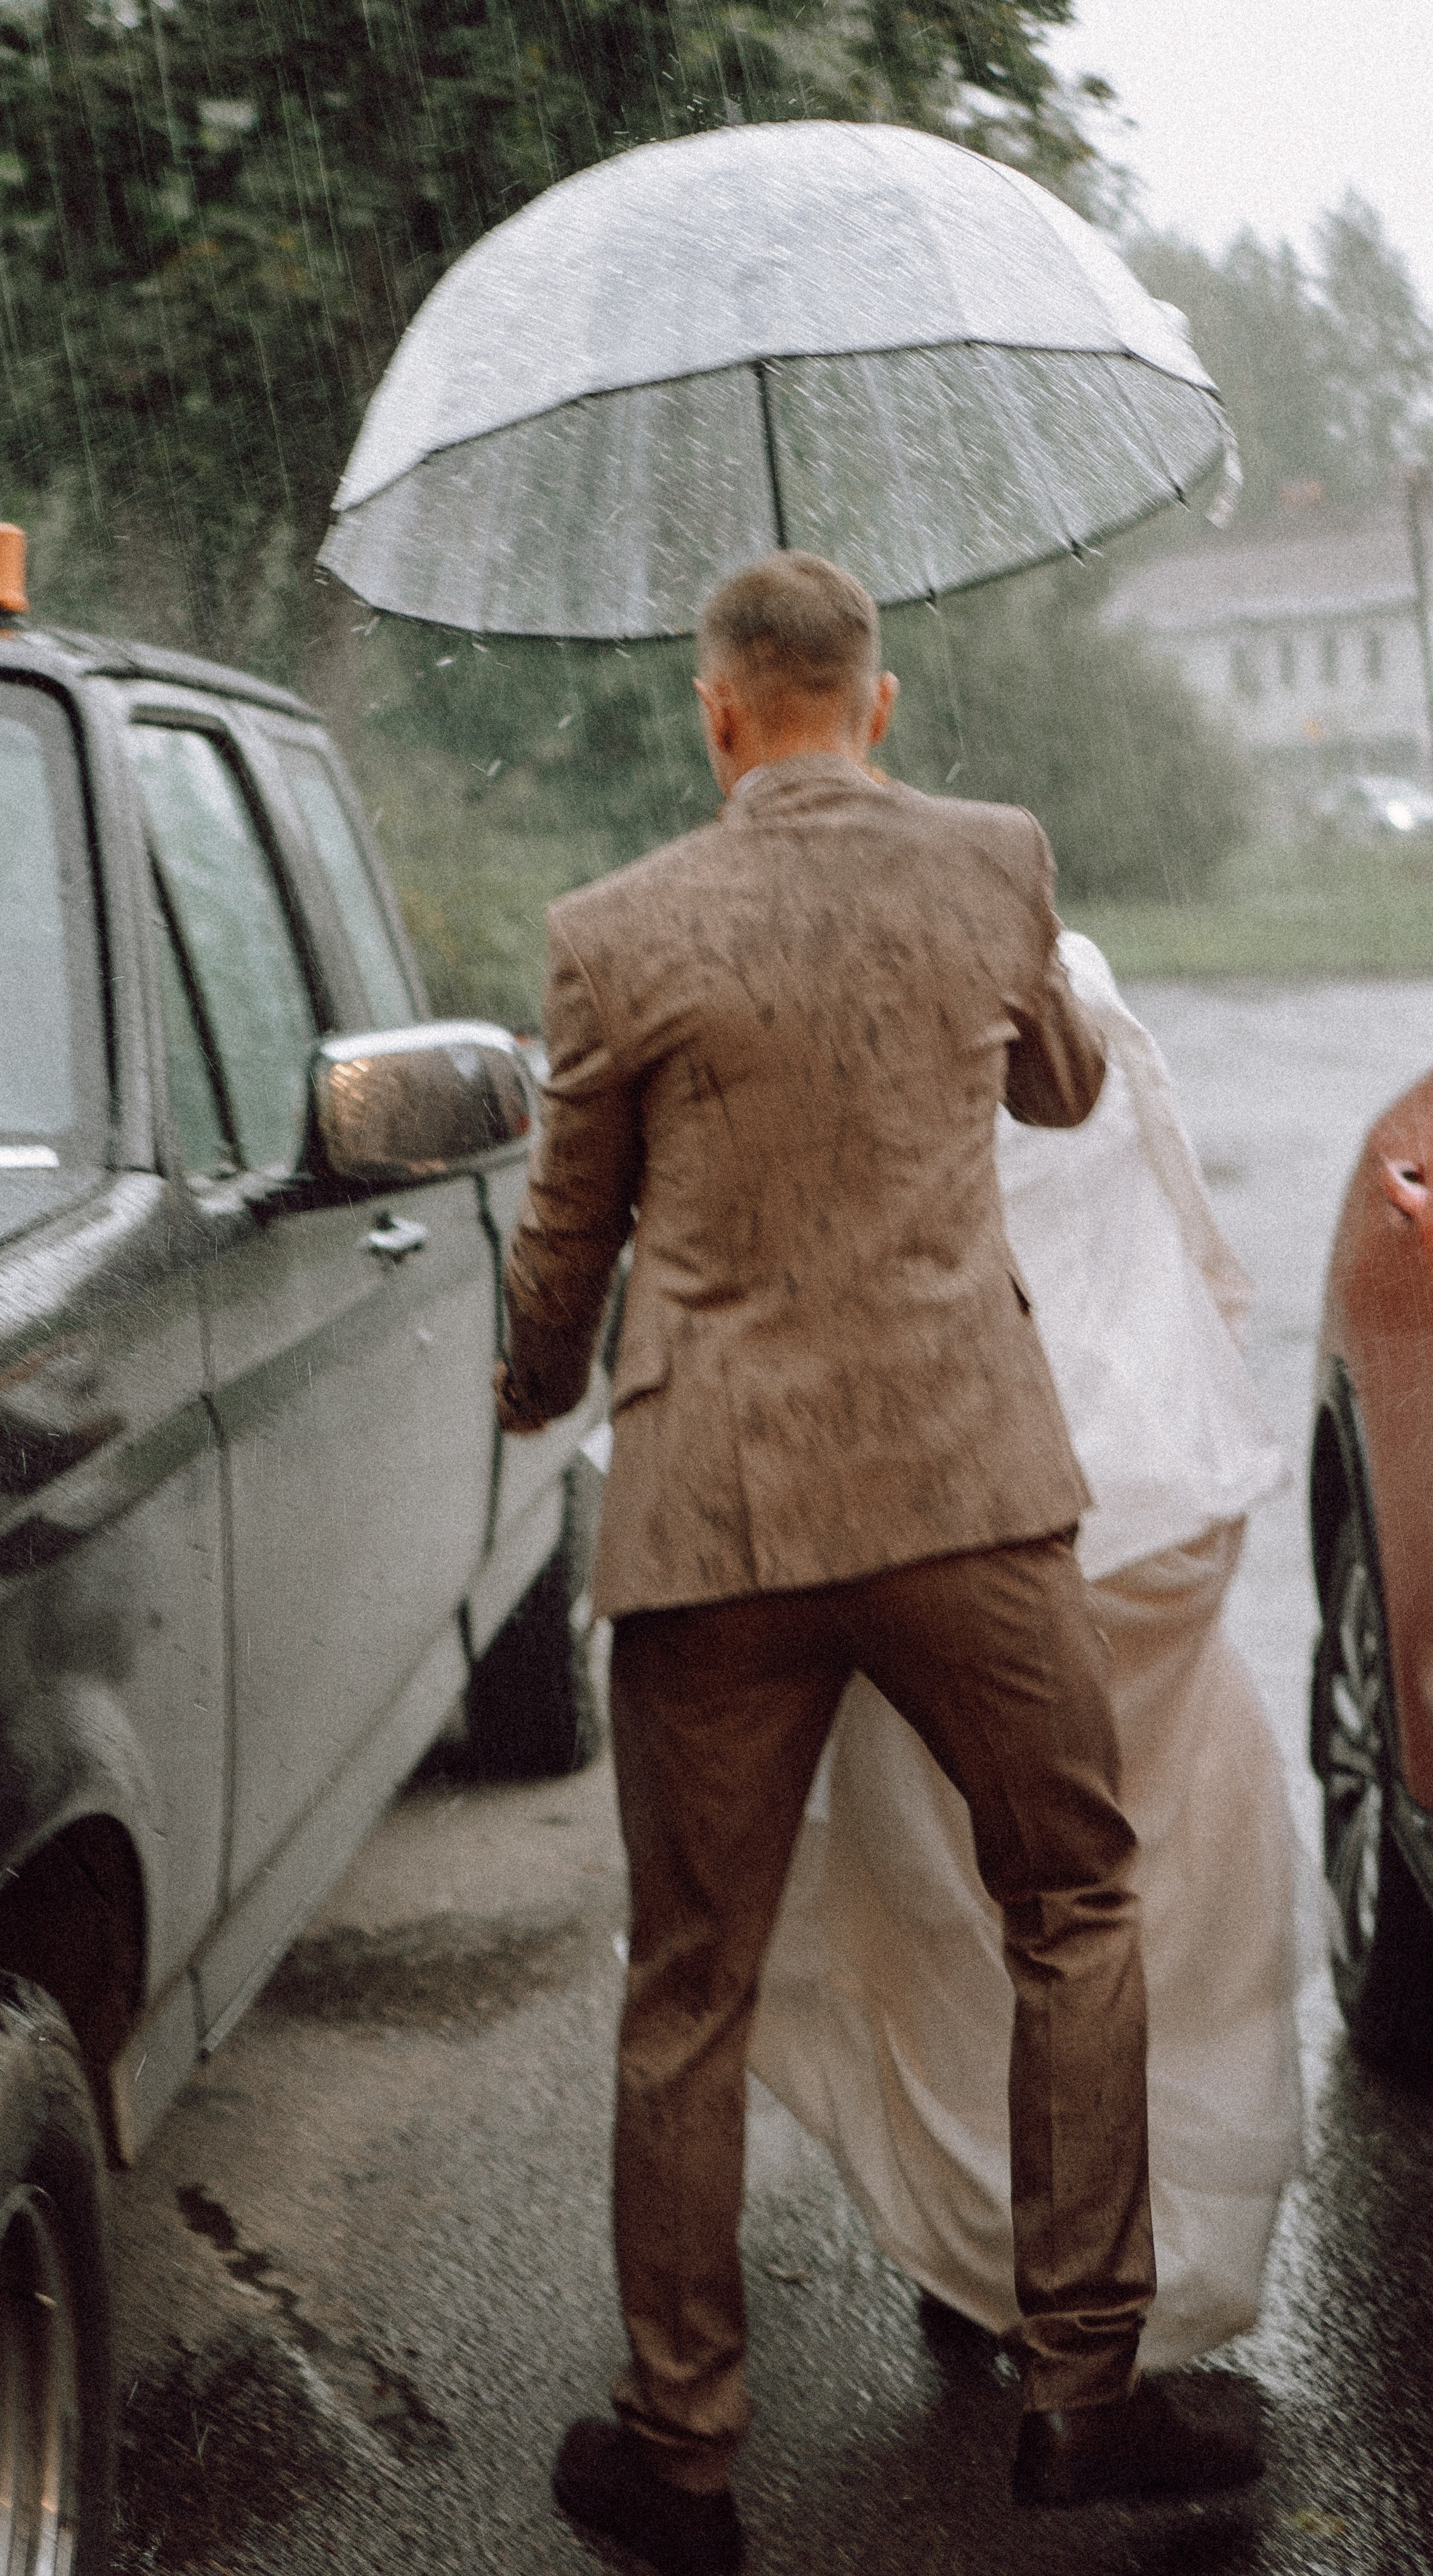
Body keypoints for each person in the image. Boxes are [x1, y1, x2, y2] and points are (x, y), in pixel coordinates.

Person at [495, 550, 1264, 2576]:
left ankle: (680, 2455)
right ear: (880, 703)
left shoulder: (610, 933)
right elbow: (1063, 1087)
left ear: (715, 714)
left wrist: (529, 1391)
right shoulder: (993, 859)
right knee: (1071, 1898)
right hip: (963, 1498)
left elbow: (566, 1241)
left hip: (720, 1528)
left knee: (690, 1981)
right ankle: (1081, 2395)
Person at [750, 928, 1305, 2375]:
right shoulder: (1067, 981)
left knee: (942, 1887)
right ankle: (1109, 2293)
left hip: (923, 1514)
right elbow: (1192, 1253)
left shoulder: (807, 1001)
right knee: (1135, 1896)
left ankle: (975, 2245)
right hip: (1135, 1503)